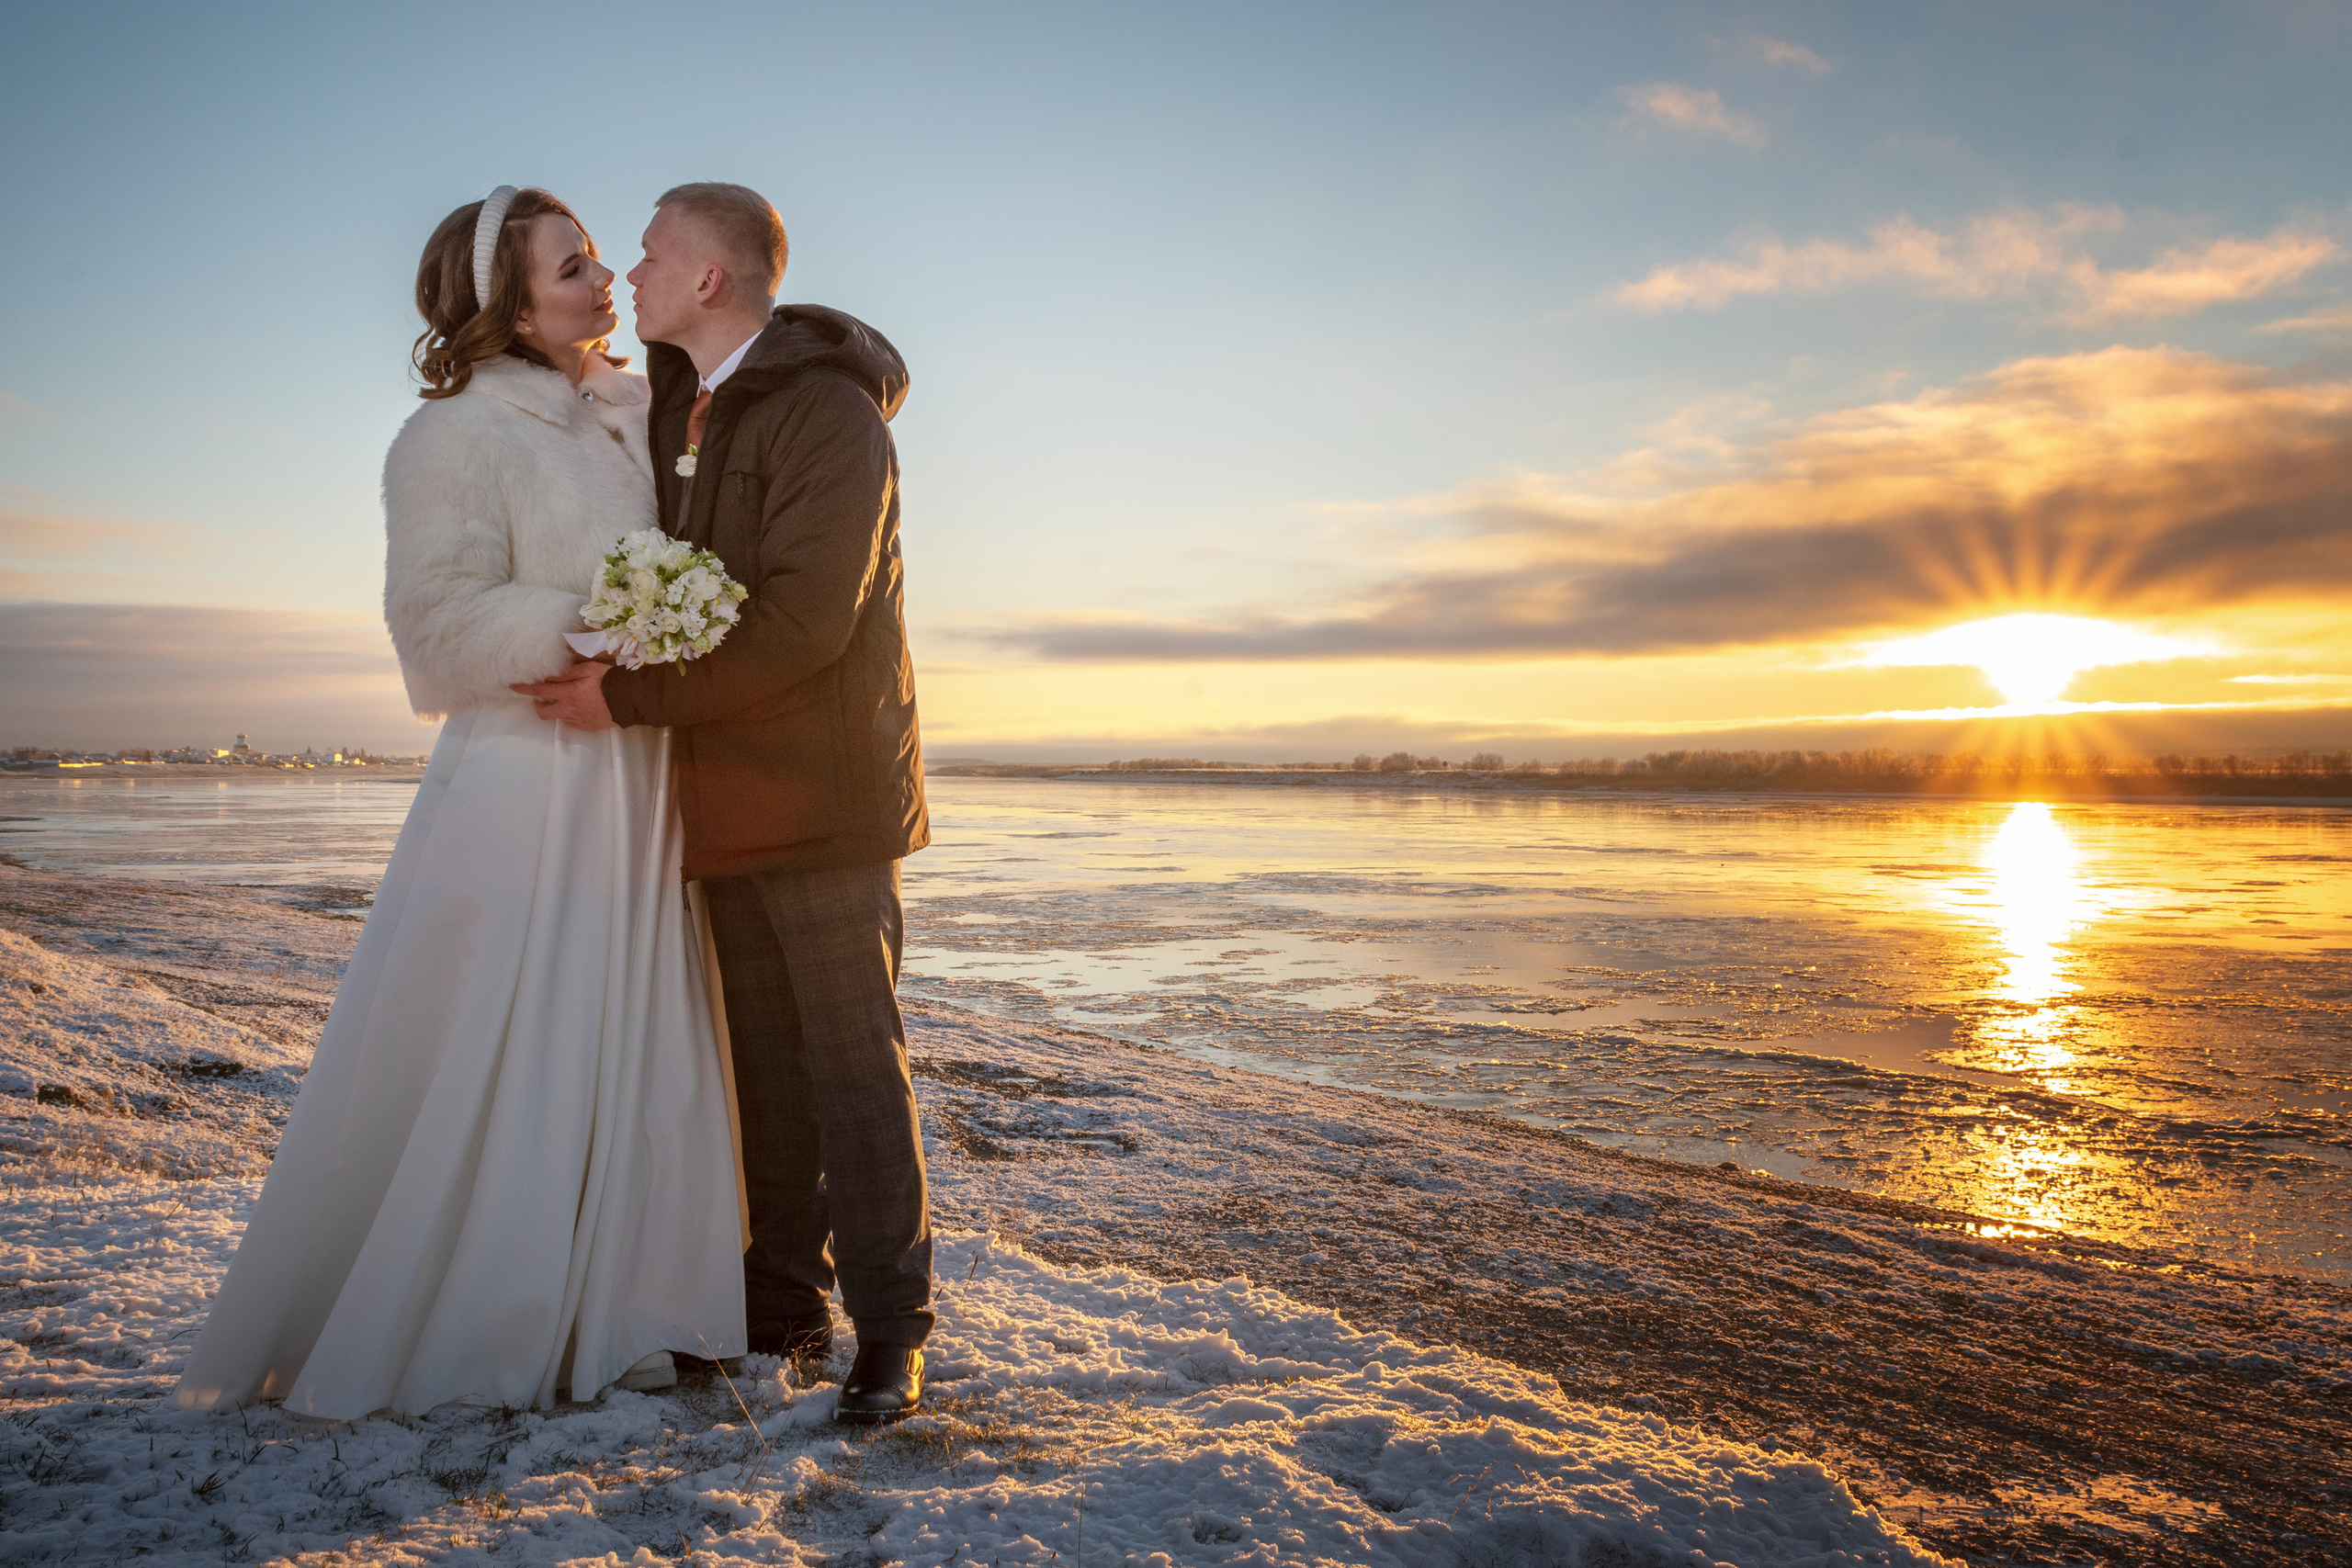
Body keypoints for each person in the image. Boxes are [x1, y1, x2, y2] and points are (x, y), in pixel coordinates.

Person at [173, 187, 745, 1418]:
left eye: (598, 257)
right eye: (572, 267)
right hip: (528, 775)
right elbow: (435, 624)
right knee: (510, 1029)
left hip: (635, 775)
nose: (602, 282)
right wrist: (598, 626)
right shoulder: (451, 439)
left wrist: (662, 636)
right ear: (507, 308)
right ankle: (487, 1311)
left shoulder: (636, 406)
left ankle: (630, 1302)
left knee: (635, 1025)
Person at [517, 182, 933, 1425]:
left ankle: (893, 1335)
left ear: (710, 279)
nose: (630, 276)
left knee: (856, 1070)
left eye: (648, 256)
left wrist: (628, 708)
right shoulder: (675, 410)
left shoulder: (828, 415)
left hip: (826, 795)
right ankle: (782, 1306)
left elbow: (809, 623)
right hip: (720, 794)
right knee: (761, 1070)